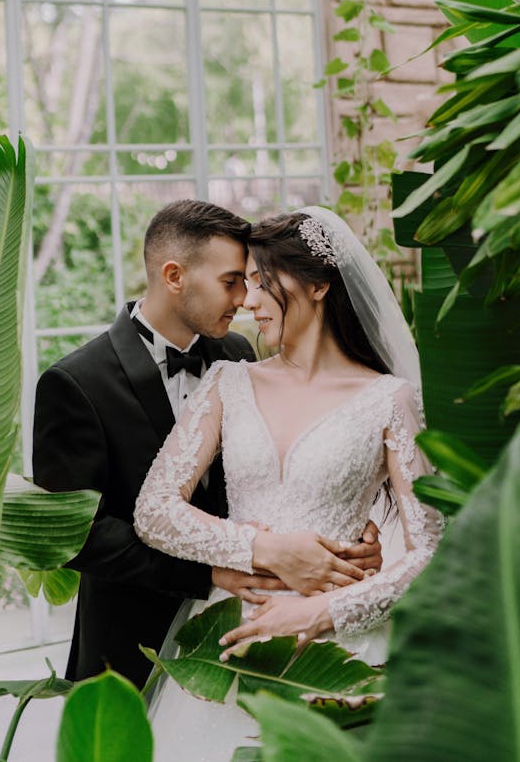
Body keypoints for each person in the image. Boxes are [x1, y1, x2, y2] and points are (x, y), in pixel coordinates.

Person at [134, 206, 442, 760]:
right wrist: (263, 550)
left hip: (339, 653)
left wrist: (325, 611)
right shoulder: (228, 381)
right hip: (227, 644)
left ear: (319, 284)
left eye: (259, 283)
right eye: (243, 284)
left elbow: (433, 554)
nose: (247, 302)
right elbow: (154, 509)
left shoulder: (389, 400)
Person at [33, 200, 381, 687]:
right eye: (231, 282)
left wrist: (339, 526)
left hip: (252, 625)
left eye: (249, 281)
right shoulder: (75, 382)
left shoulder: (238, 356)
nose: (243, 299)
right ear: (174, 276)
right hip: (132, 641)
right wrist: (209, 573)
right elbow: (72, 536)